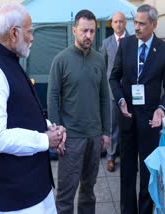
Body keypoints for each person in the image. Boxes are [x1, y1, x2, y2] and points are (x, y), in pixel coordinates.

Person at [0, 3, 66, 214]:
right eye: (30, 31)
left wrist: (50, 128)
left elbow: (21, 112)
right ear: (14, 33)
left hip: (33, 188)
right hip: (13, 198)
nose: (33, 37)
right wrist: (45, 140)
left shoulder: (9, 60)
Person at [109, 4, 165, 214]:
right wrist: (120, 100)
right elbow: (114, 77)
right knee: (127, 172)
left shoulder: (164, 50)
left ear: (154, 25)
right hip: (127, 119)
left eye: (141, 24)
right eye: (135, 22)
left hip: (150, 122)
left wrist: (161, 109)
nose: (136, 27)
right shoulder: (127, 44)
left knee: (148, 172)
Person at [47, 9, 111, 214]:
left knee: (89, 191)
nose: (89, 36)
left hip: (94, 135)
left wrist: (106, 132)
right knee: (66, 195)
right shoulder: (61, 60)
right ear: (74, 30)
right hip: (71, 138)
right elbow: (52, 97)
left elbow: (104, 97)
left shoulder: (99, 59)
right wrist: (57, 134)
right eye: (84, 31)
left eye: (92, 31)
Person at [100, 11, 129, 172]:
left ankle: (126, 156)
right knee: (112, 126)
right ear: (112, 24)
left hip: (130, 91)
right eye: (115, 21)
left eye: (121, 21)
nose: (118, 24)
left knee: (129, 125)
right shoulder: (106, 43)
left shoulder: (133, 40)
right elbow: (103, 67)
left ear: (125, 23)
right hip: (112, 91)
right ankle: (111, 157)